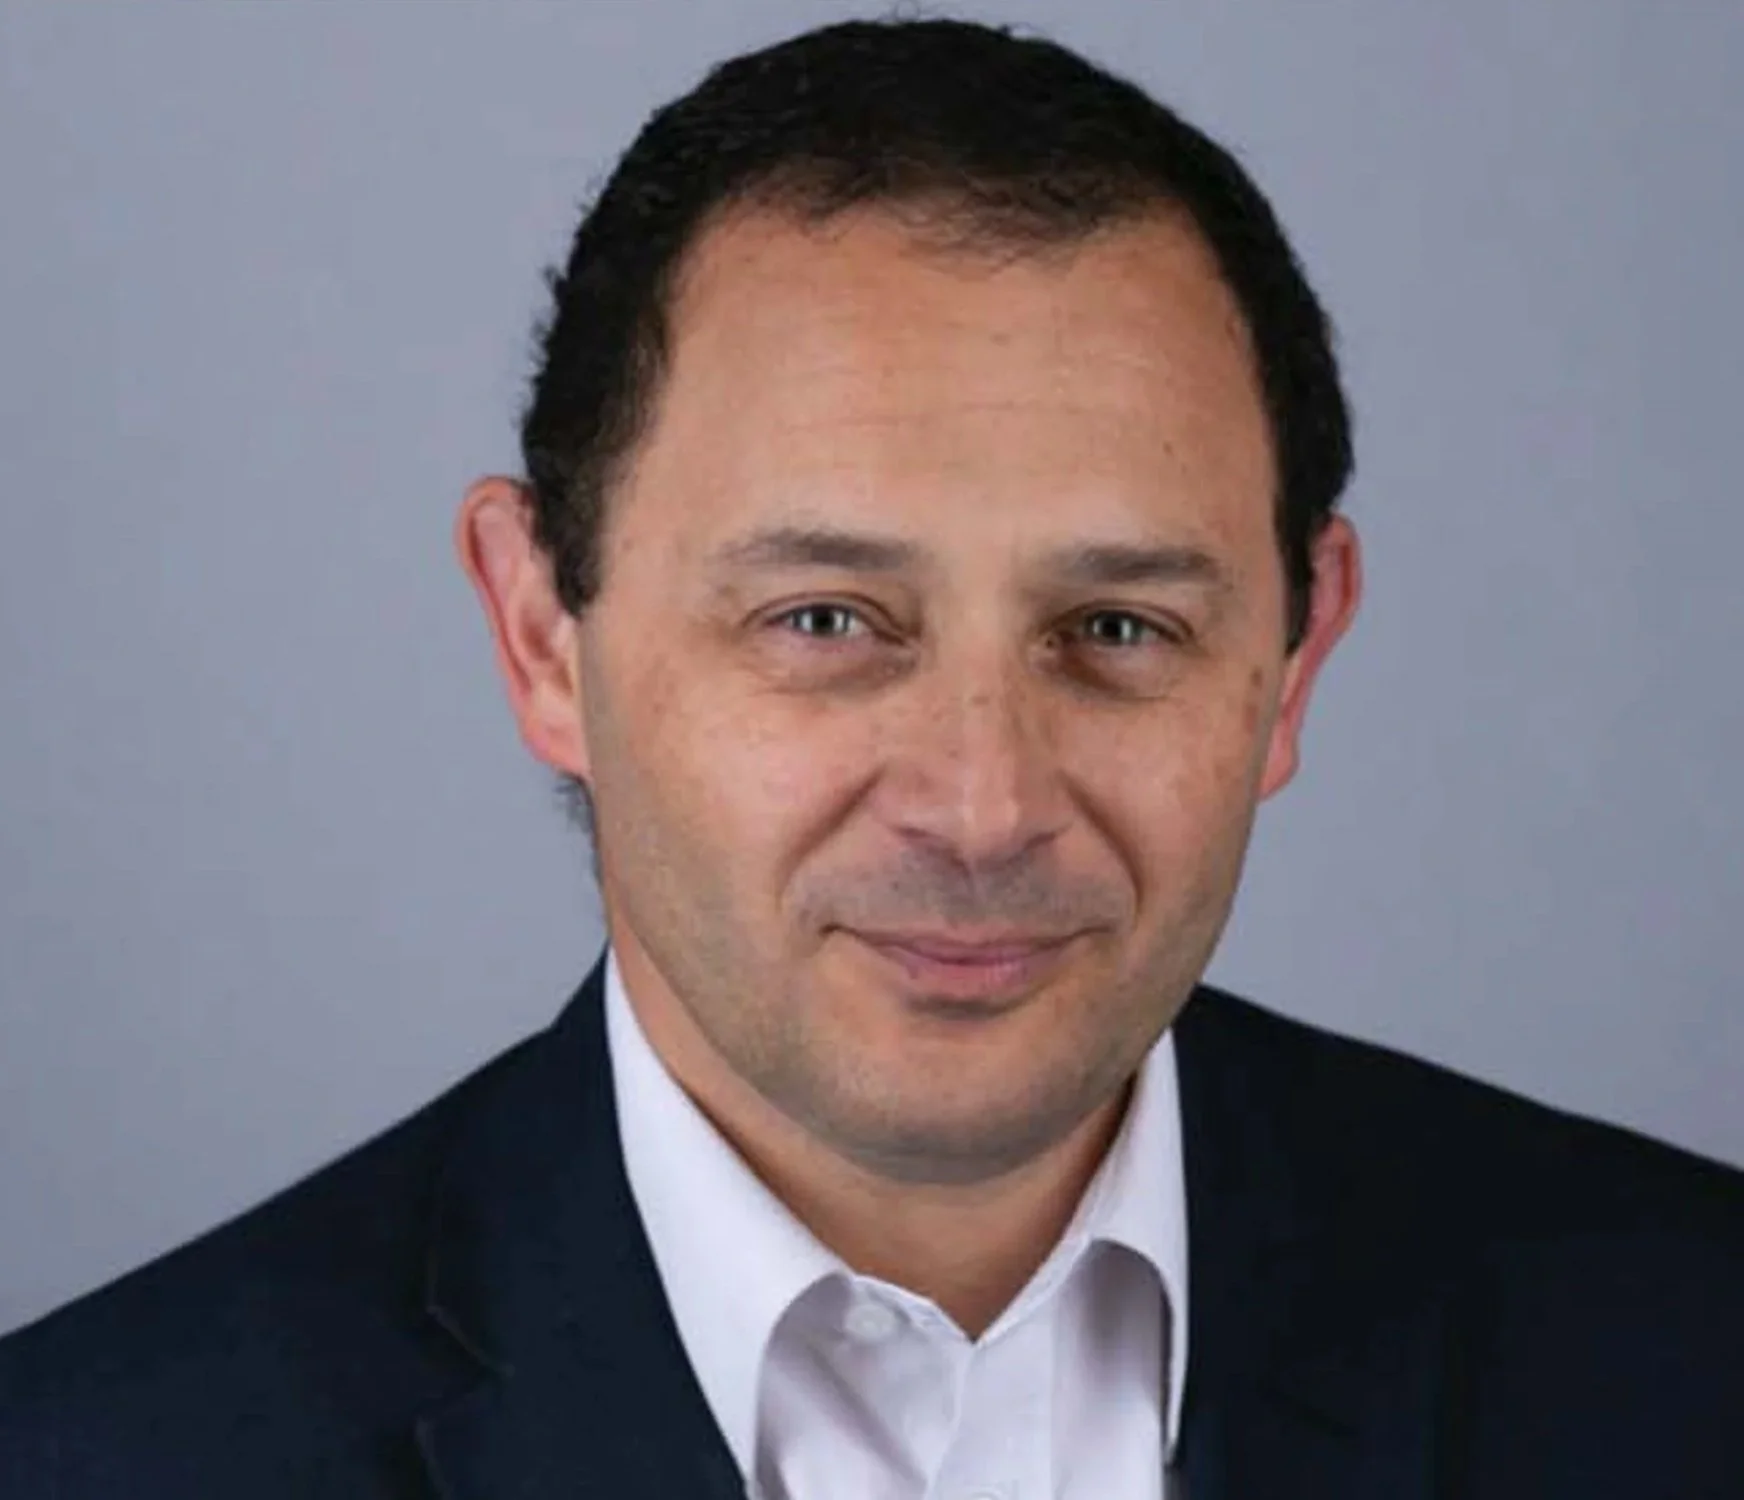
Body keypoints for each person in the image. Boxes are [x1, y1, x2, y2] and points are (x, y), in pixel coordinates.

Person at [3, 16, 1740, 1500]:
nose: (984, 809)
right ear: (543, 636)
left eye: (1117, 628)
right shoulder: (101, 1458)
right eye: (826, 620)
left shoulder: (1689, 1354)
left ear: (1294, 659)